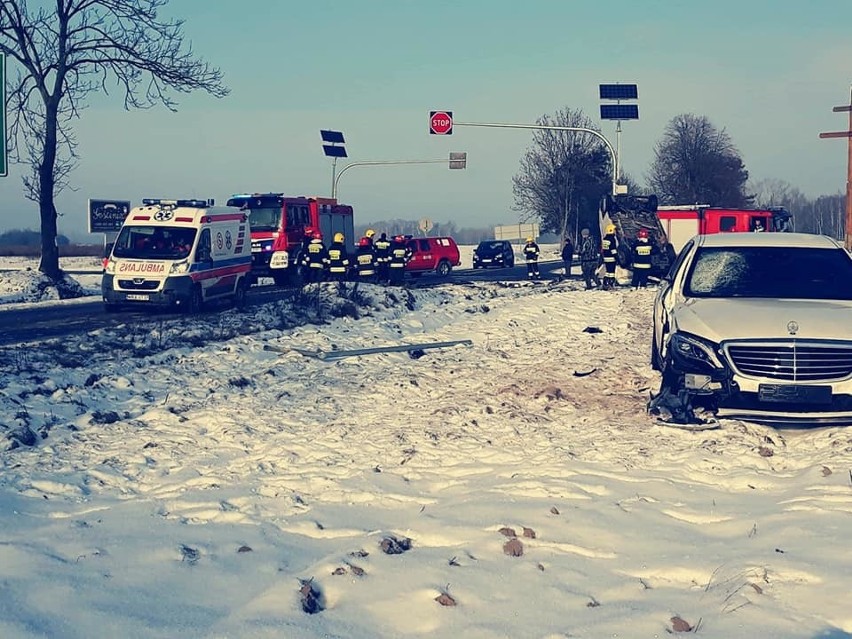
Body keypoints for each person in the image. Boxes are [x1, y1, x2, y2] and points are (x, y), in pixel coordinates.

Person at [601, 224, 619, 290]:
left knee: (608, 272)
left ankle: (605, 283)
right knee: (611, 272)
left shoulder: (605, 239)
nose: (615, 231)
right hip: (611, 258)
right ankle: (611, 285)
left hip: (606, 257)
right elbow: (613, 249)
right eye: (614, 230)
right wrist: (617, 257)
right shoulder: (612, 239)